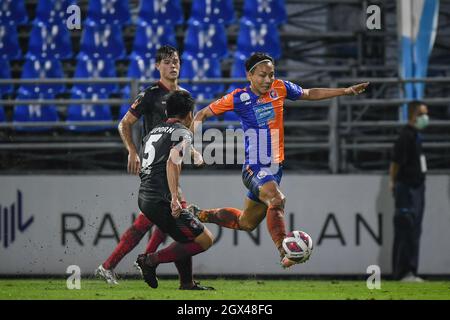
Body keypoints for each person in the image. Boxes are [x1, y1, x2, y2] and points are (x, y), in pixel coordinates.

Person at [189, 52, 369, 268]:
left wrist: (345, 91)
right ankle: (285, 251)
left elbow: (310, 93)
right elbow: (201, 114)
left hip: (275, 169)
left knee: (246, 223)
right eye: (262, 75)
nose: (267, 80)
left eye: (271, 75)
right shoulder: (239, 97)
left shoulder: (280, 88)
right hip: (254, 167)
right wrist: (190, 144)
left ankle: (200, 214)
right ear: (249, 75)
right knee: (277, 199)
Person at [96, 45, 211, 290]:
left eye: (177, 60)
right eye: (168, 61)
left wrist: (192, 150)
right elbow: (124, 124)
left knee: (163, 221)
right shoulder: (149, 94)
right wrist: (132, 151)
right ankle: (136, 263)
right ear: (157, 66)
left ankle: (148, 265)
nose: (174, 65)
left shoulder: (184, 95)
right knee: (170, 218)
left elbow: (187, 133)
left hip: (171, 163)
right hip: (156, 168)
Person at [135, 90, 215, 289]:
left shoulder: (152, 133)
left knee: (183, 238)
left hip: (145, 196)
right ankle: (150, 260)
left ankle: (186, 283)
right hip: (162, 199)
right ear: (189, 114)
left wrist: (195, 155)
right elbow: (172, 161)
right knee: (205, 240)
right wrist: (173, 197)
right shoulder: (183, 132)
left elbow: (149, 165)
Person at [389, 100, 429, 282]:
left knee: (414, 231)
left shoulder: (416, 136)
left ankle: (411, 270)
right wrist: (393, 182)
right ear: (413, 115)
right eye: (421, 114)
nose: (425, 118)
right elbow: (396, 163)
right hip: (406, 188)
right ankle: (403, 271)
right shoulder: (406, 136)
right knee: (406, 228)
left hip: (417, 188)